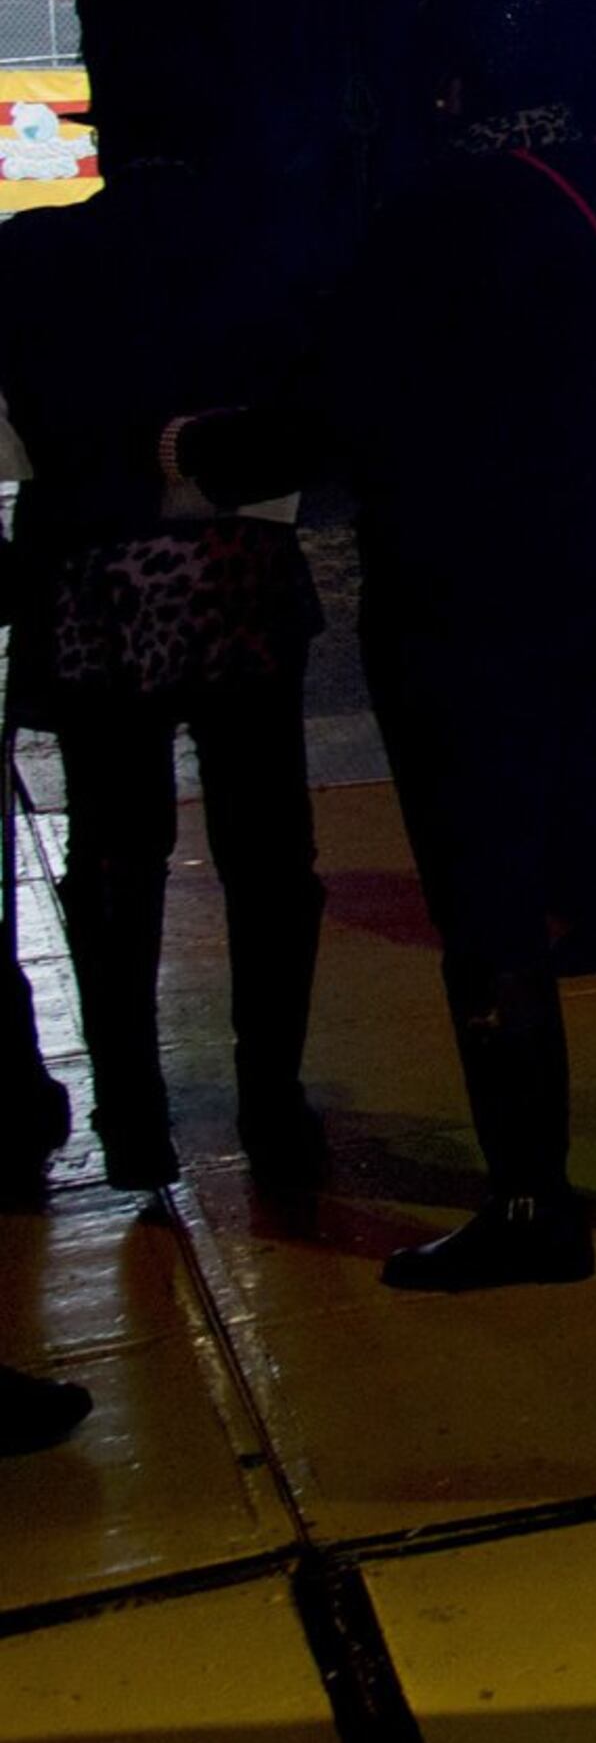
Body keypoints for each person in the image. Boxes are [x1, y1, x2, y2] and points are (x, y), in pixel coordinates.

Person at [186, 0, 596, 1288]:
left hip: (476, 609)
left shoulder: (426, 219)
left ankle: (530, 1204)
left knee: (492, 895)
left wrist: (199, 451)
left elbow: (347, 407)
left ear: (446, 89)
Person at [0, 72, 325, 1196]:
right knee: (268, 856)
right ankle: (272, 1104)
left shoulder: (31, 256)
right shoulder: (260, 255)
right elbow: (302, 423)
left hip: (98, 584)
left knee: (114, 855)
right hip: (235, 573)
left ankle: (132, 1114)